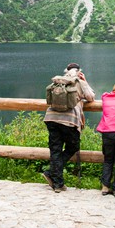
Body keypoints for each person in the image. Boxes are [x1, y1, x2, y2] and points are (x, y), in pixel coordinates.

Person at [42, 63, 95, 193]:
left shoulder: (58, 81)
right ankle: (51, 174)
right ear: (79, 71)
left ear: (66, 71)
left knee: (55, 150)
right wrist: (85, 81)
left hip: (51, 118)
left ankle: (57, 182)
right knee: (73, 147)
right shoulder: (79, 81)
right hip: (69, 121)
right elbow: (91, 97)